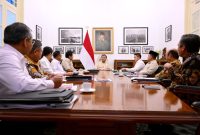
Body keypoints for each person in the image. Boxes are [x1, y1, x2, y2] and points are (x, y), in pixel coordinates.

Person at [0, 22, 62, 95]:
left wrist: (46, 79)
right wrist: (51, 83)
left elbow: (27, 80)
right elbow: (20, 85)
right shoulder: (6, 56)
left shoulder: (16, 56)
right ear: (25, 42)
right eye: (32, 41)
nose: (32, 45)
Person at [169, 34, 200, 104]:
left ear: (183, 47)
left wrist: (171, 71)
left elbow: (186, 84)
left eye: (178, 45)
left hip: (189, 101)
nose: (177, 48)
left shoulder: (195, 62)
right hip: (182, 96)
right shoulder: (190, 59)